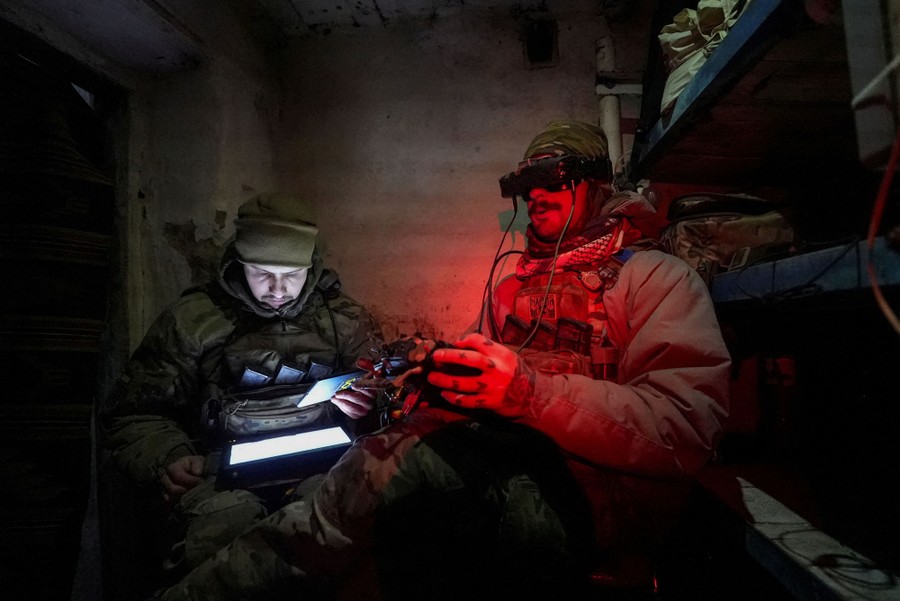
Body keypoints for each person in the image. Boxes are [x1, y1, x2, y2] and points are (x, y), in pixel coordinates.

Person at [150, 121, 730, 600]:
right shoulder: (512, 286)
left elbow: (686, 426)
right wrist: (427, 376)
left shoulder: (653, 280)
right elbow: (479, 376)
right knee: (350, 494)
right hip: (495, 460)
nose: (534, 195)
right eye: (523, 183)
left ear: (598, 185)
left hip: (594, 491)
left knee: (390, 509)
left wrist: (528, 393)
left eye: (552, 178)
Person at [99, 192, 383, 590]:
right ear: (238, 263)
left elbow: (389, 402)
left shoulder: (343, 320)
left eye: (293, 274)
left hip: (322, 463)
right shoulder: (194, 322)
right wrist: (170, 456)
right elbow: (134, 413)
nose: (278, 289)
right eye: (262, 272)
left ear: (312, 267)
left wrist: (366, 403)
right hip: (221, 475)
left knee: (336, 534)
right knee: (222, 544)